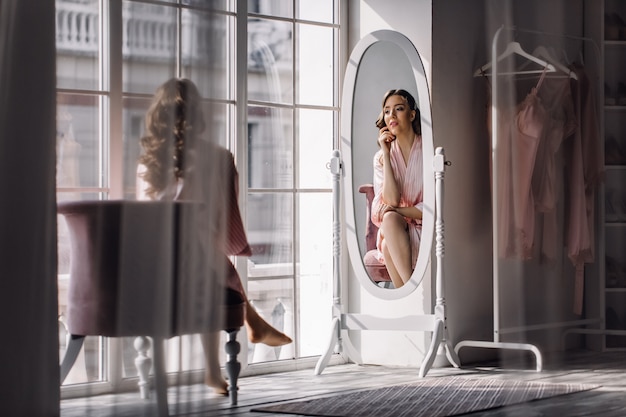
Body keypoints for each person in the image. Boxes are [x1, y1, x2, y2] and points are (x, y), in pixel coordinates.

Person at [136, 78, 292, 395]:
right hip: (198, 266)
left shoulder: (147, 164)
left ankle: (252, 326)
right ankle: (246, 330)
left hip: (153, 267)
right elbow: (227, 221)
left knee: (197, 249)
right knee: (208, 256)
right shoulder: (219, 158)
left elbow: (144, 223)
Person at [371, 89, 423, 289]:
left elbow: (431, 206)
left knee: (386, 243)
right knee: (390, 220)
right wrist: (385, 153)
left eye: (398, 109)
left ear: (411, 114)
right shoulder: (381, 157)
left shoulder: (428, 151)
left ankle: (408, 296)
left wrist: (397, 210)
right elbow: (389, 202)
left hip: (425, 229)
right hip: (396, 229)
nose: (391, 115)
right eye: (386, 111)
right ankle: (413, 291)